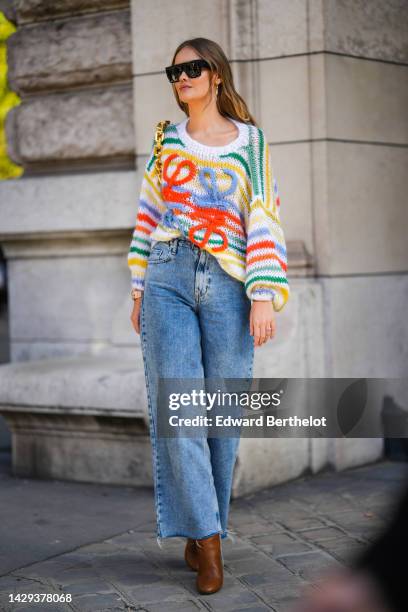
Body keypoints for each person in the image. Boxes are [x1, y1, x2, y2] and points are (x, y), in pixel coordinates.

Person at [127, 37, 290, 595]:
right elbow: (149, 214)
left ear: (216, 75)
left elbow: (263, 214)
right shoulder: (166, 140)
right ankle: (210, 541)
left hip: (228, 285)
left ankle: (204, 529)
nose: (182, 77)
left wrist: (264, 292)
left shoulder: (252, 143)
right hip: (167, 275)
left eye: (192, 68)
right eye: (174, 70)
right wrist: (136, 288)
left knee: (223, 414)